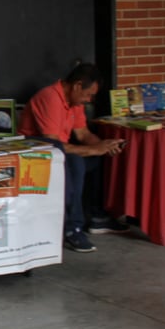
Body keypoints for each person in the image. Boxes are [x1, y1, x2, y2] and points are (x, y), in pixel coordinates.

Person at [19, 62, 127, 253]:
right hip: (34, 153)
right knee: (76, 163)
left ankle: (95, 216)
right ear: (77, 86)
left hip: (58, 150)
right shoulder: (50, 98)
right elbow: (53, 145)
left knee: (98, 159)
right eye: (89, 95)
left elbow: (83, 135)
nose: (90, 100)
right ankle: (72, 229)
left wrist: (104, 145)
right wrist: (93, 149)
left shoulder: (74, 101)